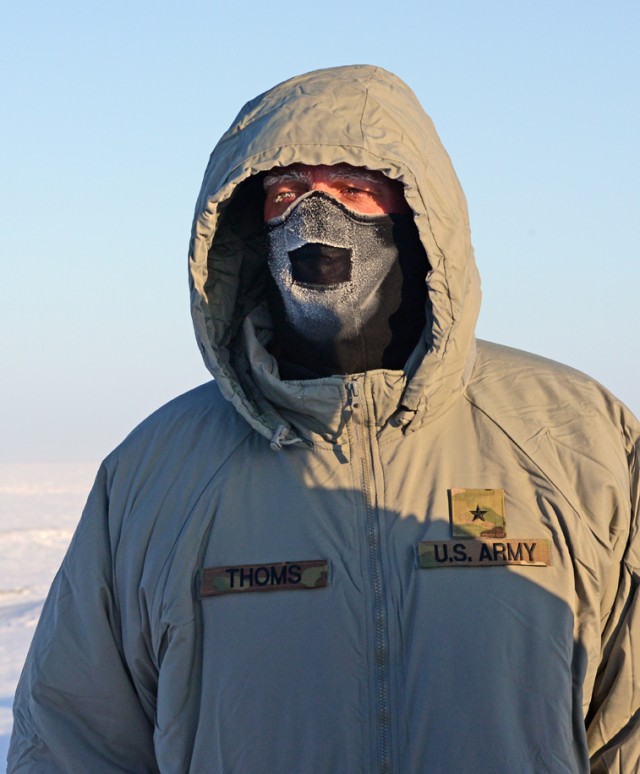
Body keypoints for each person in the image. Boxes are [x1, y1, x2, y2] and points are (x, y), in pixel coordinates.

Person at [8, 65, 640, 773]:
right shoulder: (156, 474)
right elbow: (73, 741)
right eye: (286, 193)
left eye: (352, 188)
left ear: (419, 210)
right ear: (248, 228)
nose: (315, 217)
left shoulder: (574, 437)